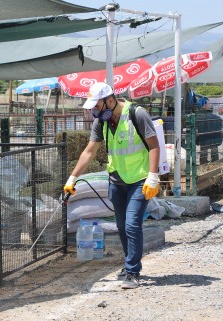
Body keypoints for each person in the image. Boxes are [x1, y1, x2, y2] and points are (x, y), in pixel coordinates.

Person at [63, 83, 160, 289]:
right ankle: (128, 265)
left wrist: (153, 176)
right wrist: (72, 179)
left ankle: (133, 272)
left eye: (97, 106)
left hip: (139, 180)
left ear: (110, 99)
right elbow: (89, 152)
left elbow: (153, 145)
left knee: (133, 225)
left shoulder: (137, 114)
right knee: (123, 226)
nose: (95, 111)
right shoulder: (102, 122)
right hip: (116, 181)